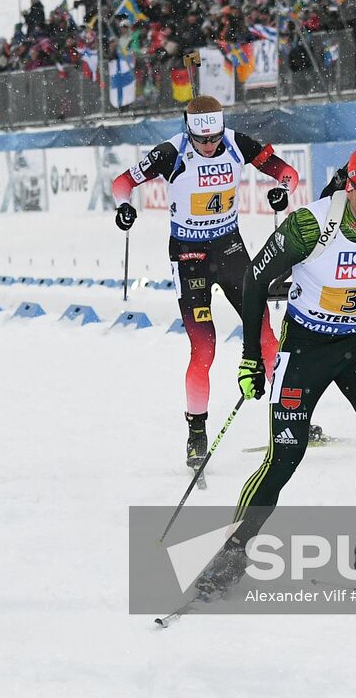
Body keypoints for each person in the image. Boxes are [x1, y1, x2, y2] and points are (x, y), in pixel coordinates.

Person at [199, 144, 356, 594]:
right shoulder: (311, 226)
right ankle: (235, 549)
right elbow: (254, 279)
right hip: (306, 345)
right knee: (284, 456)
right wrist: (251, 355)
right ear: (350, 187)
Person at [110, 95, 300, 471]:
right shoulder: (171, 152)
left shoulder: (236, 142)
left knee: (266, 337)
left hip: (230, 250)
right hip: (189, 256)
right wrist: (124, 207)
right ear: (190, 131)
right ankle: (196, 434)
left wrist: (282, 191)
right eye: (204, 140)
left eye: (214, 138)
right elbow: (121, 182)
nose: (211, 146)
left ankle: (289, 417)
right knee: (204, 349)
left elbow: (287, 173)